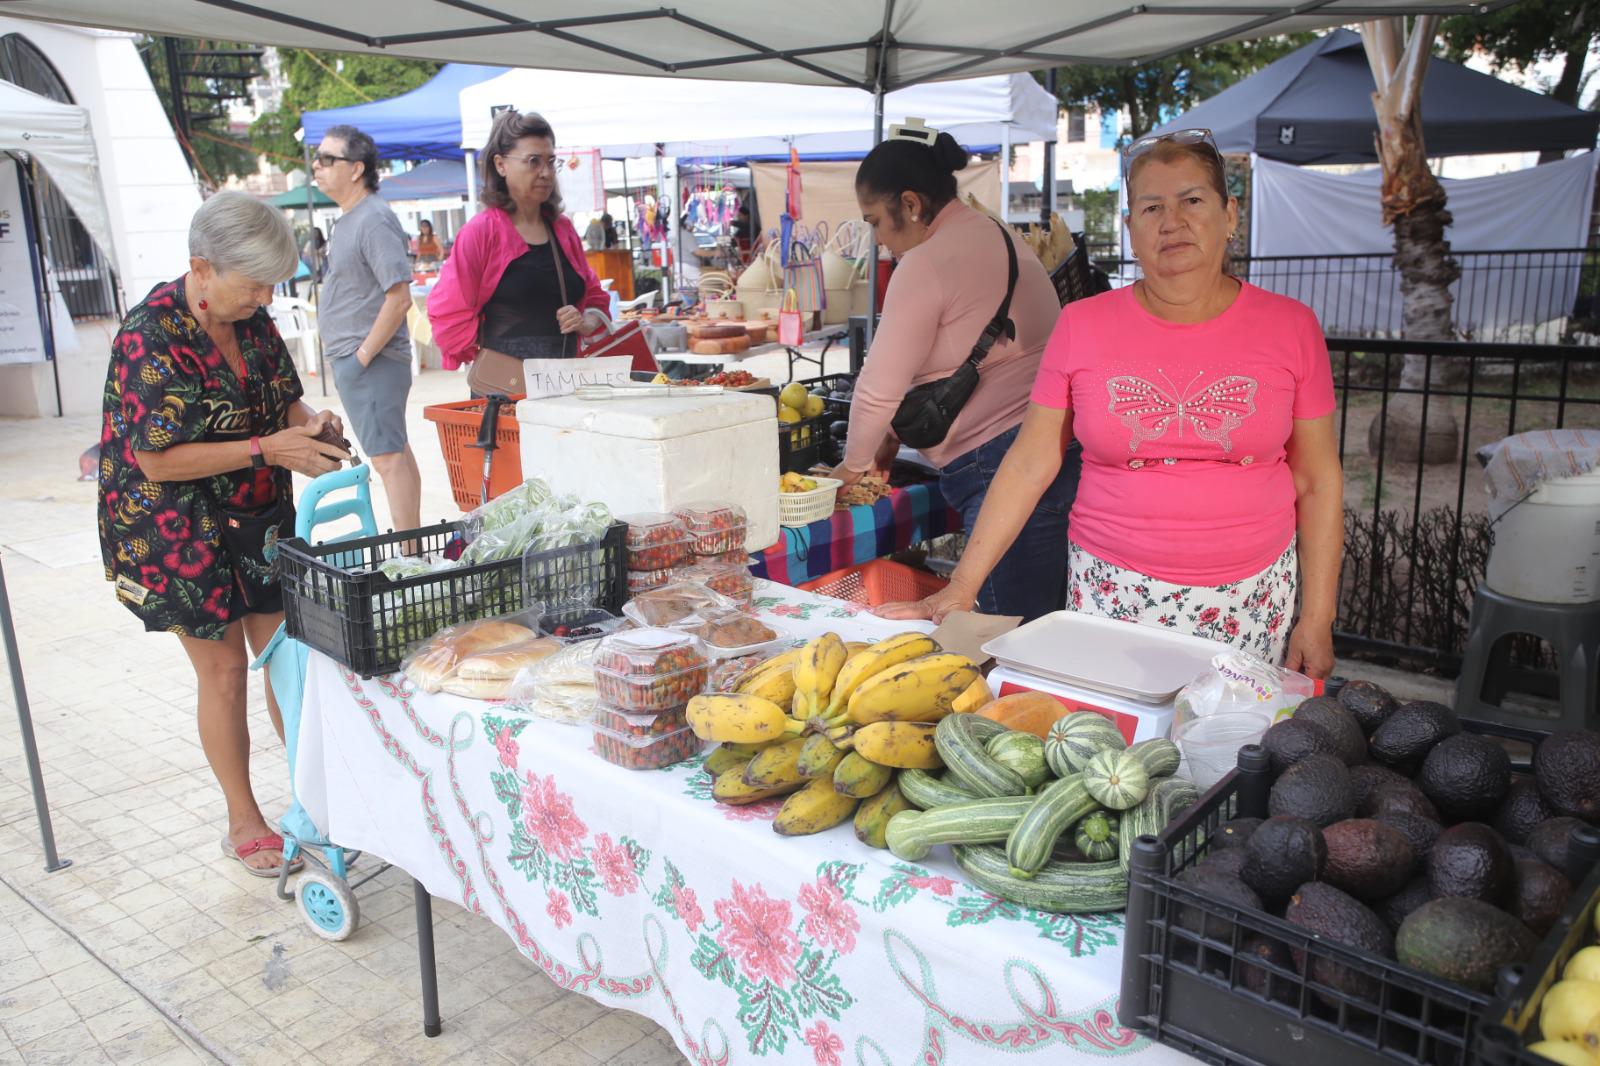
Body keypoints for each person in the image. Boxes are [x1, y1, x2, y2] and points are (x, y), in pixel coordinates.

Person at [882, 129, 1344, 678]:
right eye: (1151, 207)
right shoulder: (1082, 325)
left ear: (1230, 215)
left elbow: (1317, 479)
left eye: (1192, 200)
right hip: (1112, 592)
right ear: (1130, 228)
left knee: (1230, 731)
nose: (1172, 222)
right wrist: (961, 586)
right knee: (1113, 732)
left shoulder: (1291, 327)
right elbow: (1031, 462)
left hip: (1252, 598)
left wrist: (1318, 617)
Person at [98, 192, 350, 877]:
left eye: (272, 284)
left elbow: (283, 399)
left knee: (286, 655)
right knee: (226, 670)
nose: (266, 298)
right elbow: (157, 460)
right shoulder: (149, 335)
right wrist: (269, 448)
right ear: (201, 268)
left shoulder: (254, 320)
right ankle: (243, 819)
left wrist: (312, 425)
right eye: (255, 284)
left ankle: (317, 796)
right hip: (171, 525)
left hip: (256, 514)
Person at [829, 124, 1080, 622]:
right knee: (1047, 623)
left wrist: (850, 468)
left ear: (910, 204)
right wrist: (889, 435)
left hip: (997, 464)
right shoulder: (998, 234)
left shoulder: (925, 263)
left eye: (876, 222)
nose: (879, 240)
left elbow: (877, 389)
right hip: (1056, 448)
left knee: (1008, 630)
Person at [427, 110, 610, 373]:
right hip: (505, 388)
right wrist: (488, 348)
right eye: (533, 161)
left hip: (564, 382)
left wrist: (586, 321)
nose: (545, 173)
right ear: (500, 164)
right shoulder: (481, 232)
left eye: (550, 162)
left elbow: (594, 297)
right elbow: (448, 314)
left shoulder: (562, 229)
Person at [313, 123, 423, 532]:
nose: (317, 166)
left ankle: (411, 558)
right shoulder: (353, 218)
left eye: (327, 159)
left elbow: (399, 297)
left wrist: (361, 356)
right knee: (395, 453)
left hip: (371, 360)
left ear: (356, 168)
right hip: (364, 359)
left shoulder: (372, 218)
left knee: (387, 459)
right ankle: (414, 552)